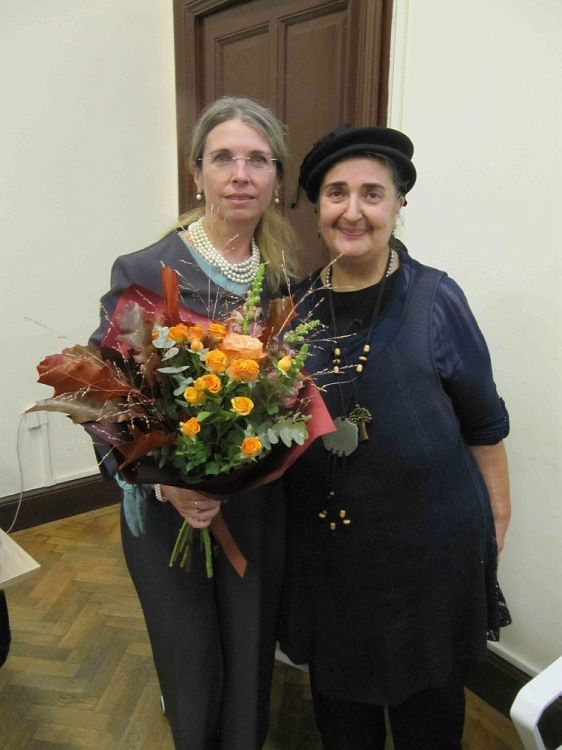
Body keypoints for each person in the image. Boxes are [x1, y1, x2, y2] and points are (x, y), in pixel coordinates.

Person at [279, 125, 512, 750]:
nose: (353, 211)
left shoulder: (436, 298)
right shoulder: (290, 310)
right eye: (336, 193)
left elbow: (484, 423)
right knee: (342, 719)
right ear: (317, 208)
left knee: (429, 719)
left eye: (372, 194)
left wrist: (497, 518)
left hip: (428, 559)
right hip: (331, 560)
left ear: (399, 204)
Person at [90, 97, 299, 750]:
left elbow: (293, 397)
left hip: (255, 509)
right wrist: (166, 484)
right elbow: (106, 398)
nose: (240, 174)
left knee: (249, 659)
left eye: (257, 160)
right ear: (197, 172)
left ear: (276, 177)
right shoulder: (146, 271)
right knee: (193, 667)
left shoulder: (284, 282)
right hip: (167, 514)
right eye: (223, 158)